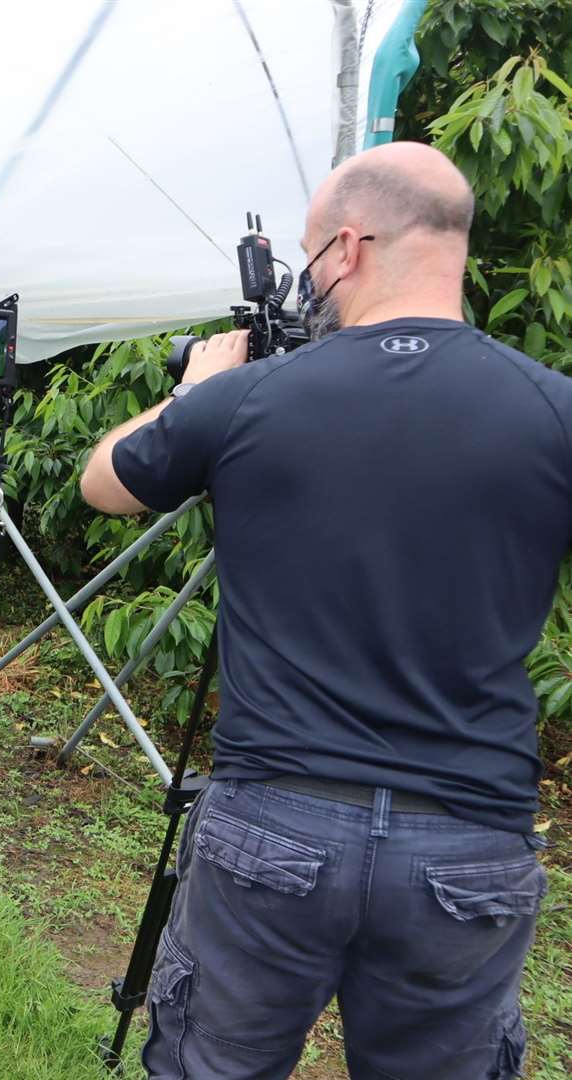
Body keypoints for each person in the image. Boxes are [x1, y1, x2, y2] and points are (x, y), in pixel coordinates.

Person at [80, 141, 555, 1078]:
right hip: (469, 838)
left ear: (346, 249)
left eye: (309, 258)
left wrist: (194, 395)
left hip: (276, 820)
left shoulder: (253, 397)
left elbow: (104, 482)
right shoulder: (552, 410)